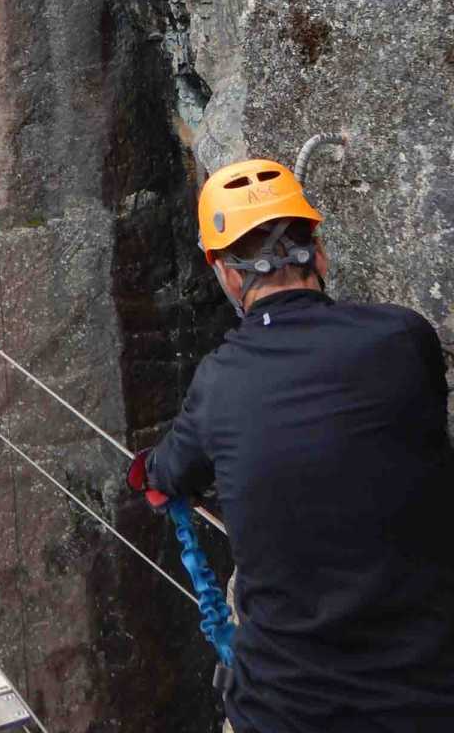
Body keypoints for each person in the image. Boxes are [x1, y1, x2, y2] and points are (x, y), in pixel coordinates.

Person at [127, 158, 454, 732]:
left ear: (226, 274)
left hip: (287, 710)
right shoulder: (404, 339)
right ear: (317, 251)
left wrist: (146, 474)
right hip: (427, 699)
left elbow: (169, 472)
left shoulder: (220, 382)